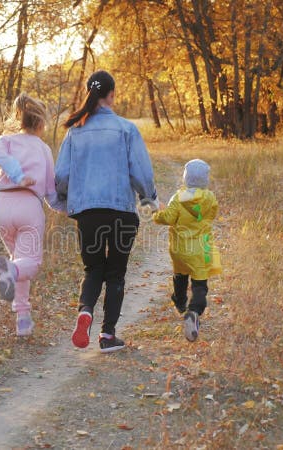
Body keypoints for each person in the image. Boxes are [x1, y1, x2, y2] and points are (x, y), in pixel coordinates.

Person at [55, 70, 158, 353]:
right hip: (121, 213)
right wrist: (149, 198)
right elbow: (141, 172)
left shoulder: (74, 132)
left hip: (88, 213)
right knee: (116, 273)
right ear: (111, 94)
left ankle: (85, 311)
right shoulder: (126, 129)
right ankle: (108, 336)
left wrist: (66, 201)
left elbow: (61, 175)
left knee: (93, 269)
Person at [0, 93, 66, 336]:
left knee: (18, 259)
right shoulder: (43, 149)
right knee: (29, 264)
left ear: (18, 117)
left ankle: (23, 319)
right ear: (41, 123)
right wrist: (67, 208)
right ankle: (10, 272)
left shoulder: (5, 140)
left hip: (2, 206)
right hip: (29, 208)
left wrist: (13, 173)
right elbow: (50, 192)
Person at [152, 159, 222, 342]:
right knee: (200, 284)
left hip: (180, 249)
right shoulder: (210, 198)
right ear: (205, 179)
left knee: (180, 275)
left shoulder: (178, 197)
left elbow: (167, 218)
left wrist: (155, 215)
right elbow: (212, 214)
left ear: (185, 178)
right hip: (201, 248)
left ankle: (180, 301)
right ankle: (194, 311)